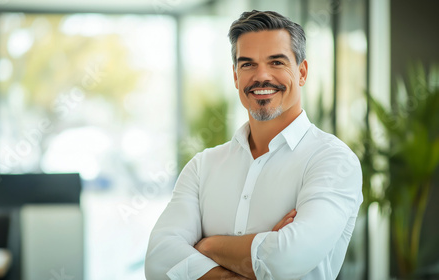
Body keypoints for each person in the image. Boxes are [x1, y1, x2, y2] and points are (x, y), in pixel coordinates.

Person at [145, 10, 363, 280]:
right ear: (236, 75)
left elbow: (288, 257)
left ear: (302, 72)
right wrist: (256, 254)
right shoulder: (203, 167)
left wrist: (206, 246)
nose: (262, 76)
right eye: (247, 64)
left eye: (276, 62)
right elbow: (158, 260)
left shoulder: (333, 160)